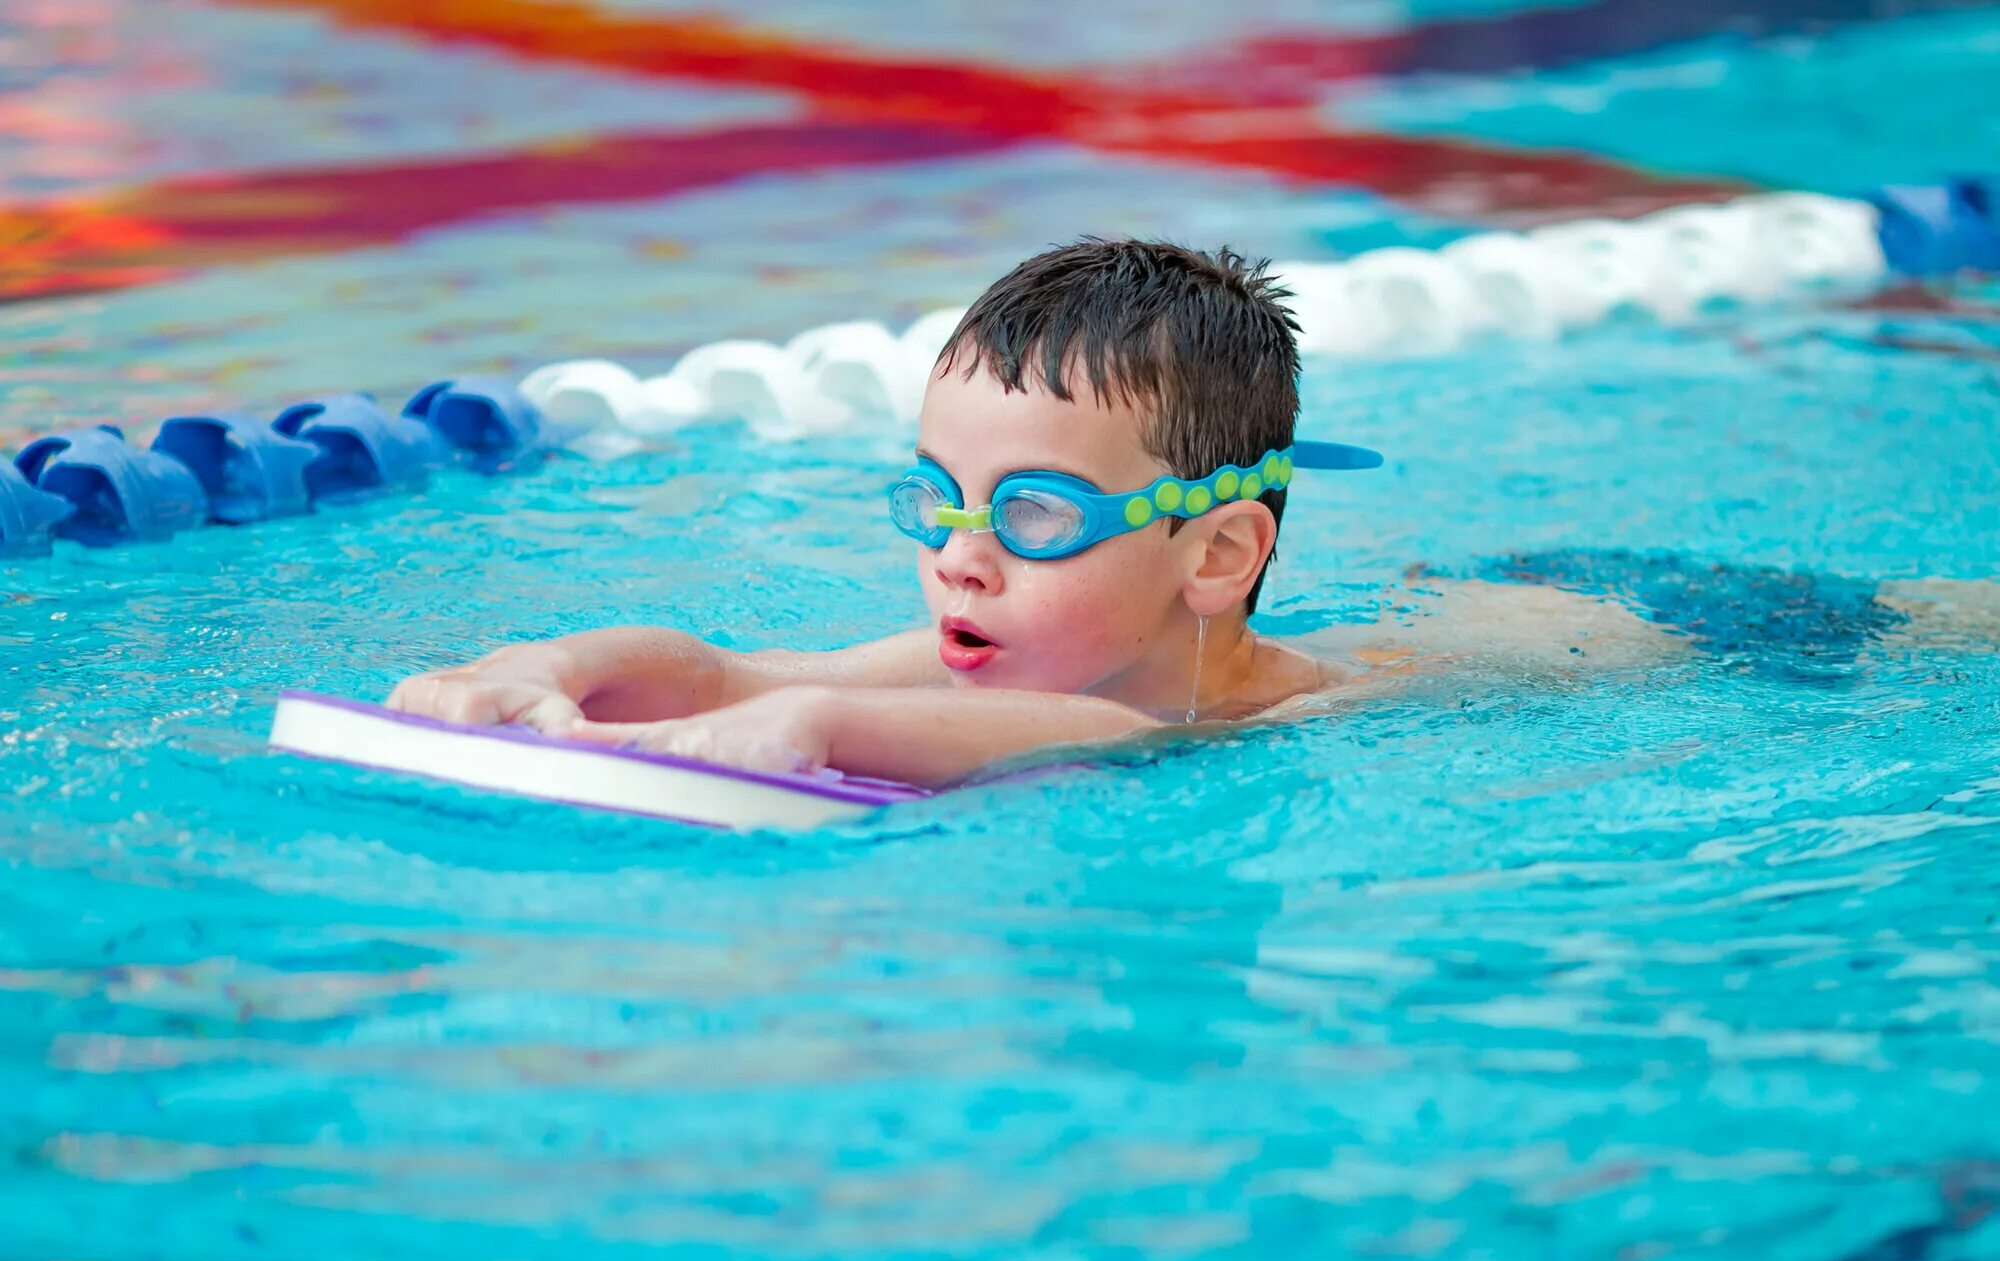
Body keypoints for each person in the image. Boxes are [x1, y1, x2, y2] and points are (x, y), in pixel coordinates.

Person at [387, 239, 1978, 788]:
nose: (962, 549)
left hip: (1706, 634)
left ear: (1217, 555)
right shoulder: (994, 625)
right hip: (1496, 587)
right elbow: (733, 670)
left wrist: (811, 726)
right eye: (937, 499)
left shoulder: (1187, 714)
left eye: (1035, 512)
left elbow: (1076, 741)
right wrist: (544, 662)